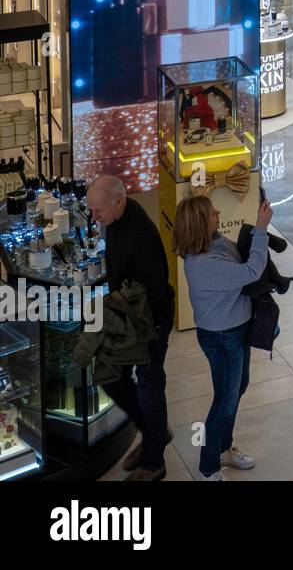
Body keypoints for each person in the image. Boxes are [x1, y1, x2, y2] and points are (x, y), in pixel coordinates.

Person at [177, 194, 274, 480]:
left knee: (239, 386)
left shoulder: (214, 242)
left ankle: (223, 447)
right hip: (222, 336)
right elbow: (252, 271)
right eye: (211, 213)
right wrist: (261, 229)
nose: (218, 212)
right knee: (225, 399)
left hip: (235, 329)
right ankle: (209, 467)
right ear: (199, 224)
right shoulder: (204, 263)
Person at [88, 175, 173, 481]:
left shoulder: (140, 236)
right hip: (127, 318)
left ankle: (153, 463)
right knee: (111, 377)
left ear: (119, 201)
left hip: (150, 321)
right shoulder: (115, 218)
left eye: (98, 211)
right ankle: (154, 433)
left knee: (150, 387)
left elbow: (157, 289)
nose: (94, 218)